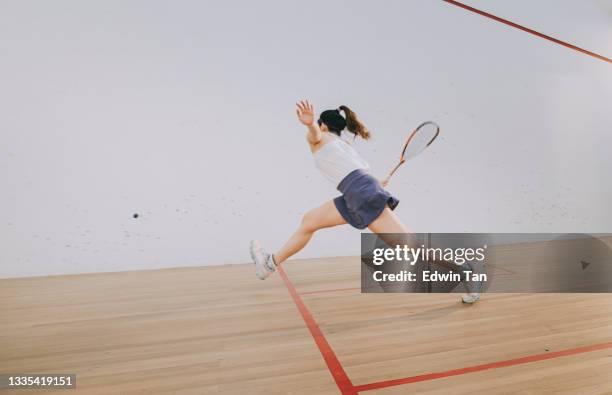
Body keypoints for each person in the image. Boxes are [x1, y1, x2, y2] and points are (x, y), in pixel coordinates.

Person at [250, 100, 481, 303]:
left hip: (360, 192)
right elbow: (357, 173)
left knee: (409, 245)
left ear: (323, 125)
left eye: (318, 125)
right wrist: (378, 183)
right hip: (356, 192)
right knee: (310, 221)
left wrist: (309, 124)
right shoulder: (344, 147)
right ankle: (268, 264)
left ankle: (463, 270)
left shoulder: (321, 138)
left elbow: (315, 136)